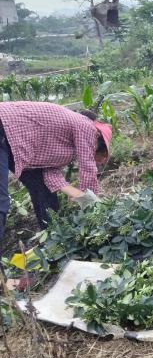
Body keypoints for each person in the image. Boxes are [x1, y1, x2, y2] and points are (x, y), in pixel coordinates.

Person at [0, 101, 112, 248]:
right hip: (5, 125)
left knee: (43, 191)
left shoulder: (64, 146)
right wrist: (93, 206)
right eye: (104, 158)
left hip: (14, 140)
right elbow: (88, 168)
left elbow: (50, 176)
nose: (102, 162)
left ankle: (53, 242)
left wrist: (79, 196)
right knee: (1, 202)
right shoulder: (88, 128)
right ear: (100, 145)